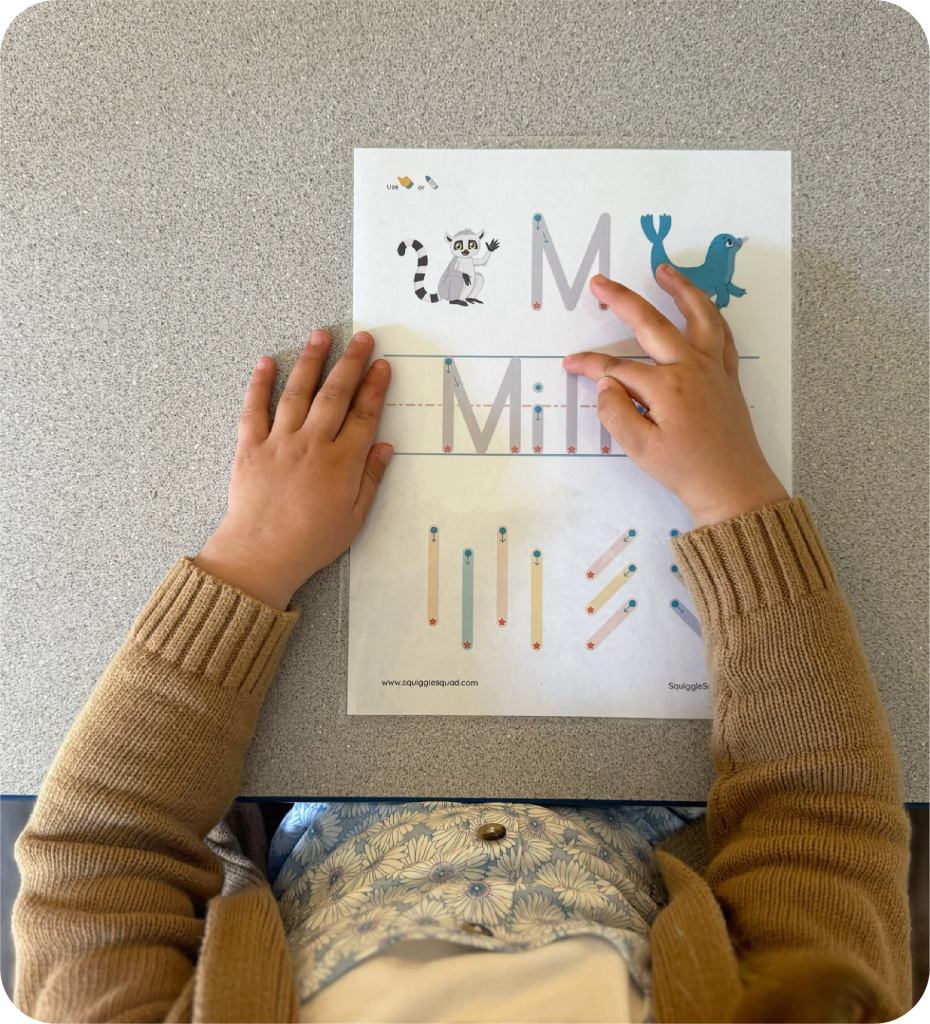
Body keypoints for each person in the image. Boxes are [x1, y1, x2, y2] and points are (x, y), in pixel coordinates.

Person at [10, 268, 911, 1024]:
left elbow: (101, 857)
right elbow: (819, 819)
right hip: (654, 796)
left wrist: (251, 558)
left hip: (318, 796)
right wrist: (737, 498)